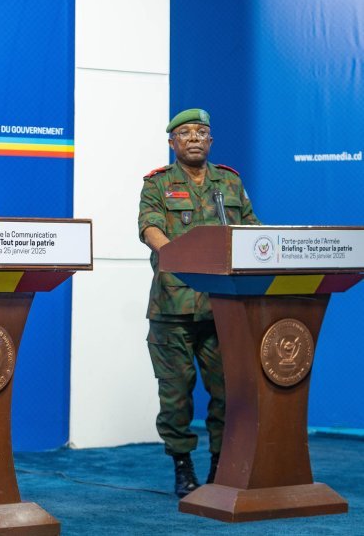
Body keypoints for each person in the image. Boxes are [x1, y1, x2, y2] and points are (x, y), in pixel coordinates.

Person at [138, 108, 259, 498]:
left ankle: (220, 464)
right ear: (172, 142)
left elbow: (253, 229)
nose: (193, 138)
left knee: (227, 391)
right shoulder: (158, 184)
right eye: (185, 132)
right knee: (175, 395)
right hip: (173, 308)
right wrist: (175, 255)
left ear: (210, 141)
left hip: (223, 307)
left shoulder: (230, 181)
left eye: (201, 132)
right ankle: (181, 465)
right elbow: (149, 226)